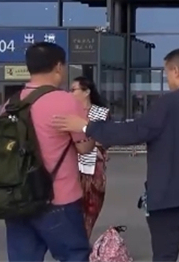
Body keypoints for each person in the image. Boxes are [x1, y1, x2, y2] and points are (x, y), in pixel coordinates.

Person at [53, 48, 179, 262]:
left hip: (168, 198)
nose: (167, 80)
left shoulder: (166, 105)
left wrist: (87, 127)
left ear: (176, 71)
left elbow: (133, 132)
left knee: (165, 256)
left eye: (167, 73)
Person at [6, 43, 94, 262]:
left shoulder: (11, 104)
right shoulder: (66, 101)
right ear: (58, 67)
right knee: (74, 256)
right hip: (58, 198)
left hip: (18, 198)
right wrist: (88, 127)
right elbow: (84, 147)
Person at [71, 76, 110, 238]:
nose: (70, 93)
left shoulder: (101, 113)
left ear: (86, 92)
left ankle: (83, 239)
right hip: (72, 168)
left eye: (74, 90)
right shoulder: (70, 112)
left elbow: (107, 139)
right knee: (73, 211)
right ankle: (77, 242)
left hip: (94, 168)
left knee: (91, 208)